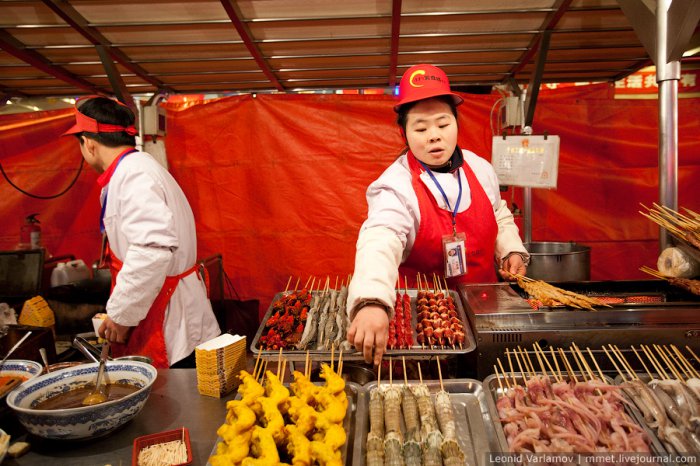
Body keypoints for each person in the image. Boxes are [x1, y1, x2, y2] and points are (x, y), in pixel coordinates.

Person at [346, 64, 529, 365]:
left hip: (487, 317)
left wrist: (511, 249)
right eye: (420, 128)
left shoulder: (480, 168)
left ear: (457, 124)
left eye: (443, 125)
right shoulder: (395, 185)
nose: (434, 136)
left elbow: (499, 213)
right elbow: (381, 237)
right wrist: (371, 300)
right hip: (425, 328)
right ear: (404, 133)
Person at [62, 96, 220, 368]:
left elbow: (152, 249)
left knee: (172, 405)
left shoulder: (134, 175)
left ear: (88, 143)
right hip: (168, 310)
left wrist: (122, 315)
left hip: (169, 323)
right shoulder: (137, 168)